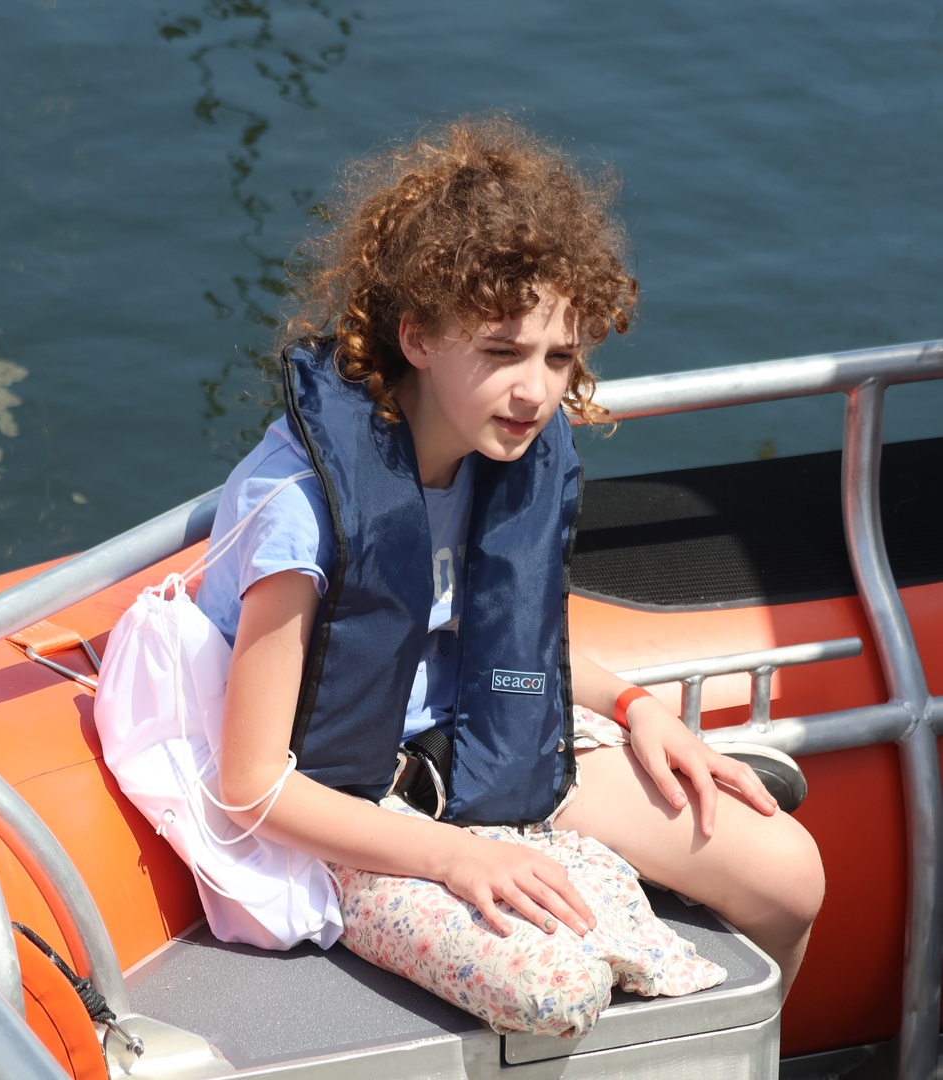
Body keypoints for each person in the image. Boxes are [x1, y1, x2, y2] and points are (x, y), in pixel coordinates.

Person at [196, 117, 824, 1037]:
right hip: (354, 803)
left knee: (790, 874)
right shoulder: (300, 508)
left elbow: (505, 634)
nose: (535, 391)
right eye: (501, 352)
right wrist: (452, 857)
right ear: (416, 336)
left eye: (558, 357)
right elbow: (252, 786)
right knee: (555, 988)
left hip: (493, 744)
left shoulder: (497, 456)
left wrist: (638, 709)